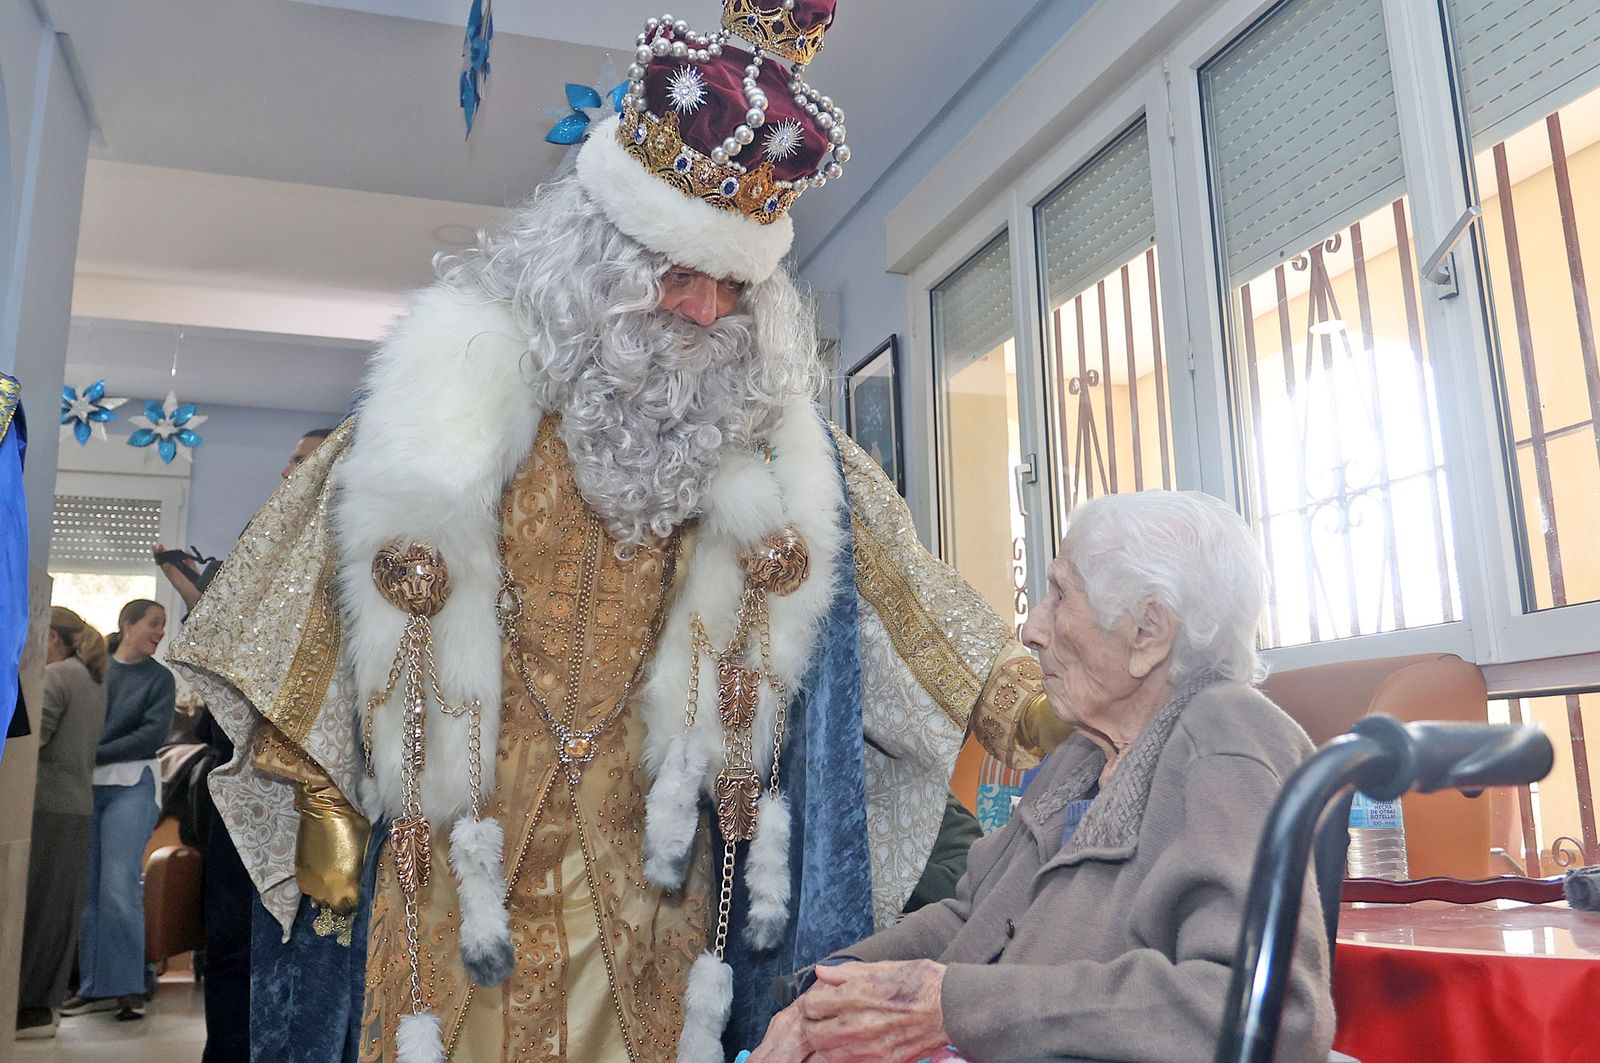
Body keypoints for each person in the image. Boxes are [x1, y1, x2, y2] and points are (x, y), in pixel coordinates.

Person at [169, 3, 1065, 1061]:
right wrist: (312, 785)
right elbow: (313, 585)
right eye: (677, 274)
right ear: (598, 261)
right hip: (464, 854)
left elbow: (906, 594)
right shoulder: (446, 398)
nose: (699, 313)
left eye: (731, 289)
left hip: (652, 873)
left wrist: (1032, 700)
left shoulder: (776, 440)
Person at [751, 491, 1337, 1063]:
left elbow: (1264, 1014)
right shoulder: (1086, 752)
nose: (1032, 630)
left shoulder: (1227, 736)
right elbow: (969, 916)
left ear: (1147, 634)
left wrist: (953, 1005)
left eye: (1059, 595)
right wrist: (828, 995)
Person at [62, 599, 176, 1022]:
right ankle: (95, 987)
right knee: (90, 890)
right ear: (126, 625)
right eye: (153, 623)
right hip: (87, 786)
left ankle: (129, 985)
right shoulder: (96, 672)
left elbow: (151, 737)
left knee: (117, 885)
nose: (160, 632)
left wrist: (91, 752)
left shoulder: (160, 680)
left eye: (163, 625)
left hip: (132, 787)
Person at [15, 608, 110, 1039]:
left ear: (51, 637)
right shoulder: (90, 678)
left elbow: (36, 741)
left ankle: (27, 1009)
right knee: (57, 914)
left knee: (35, 911)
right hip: (76, 806)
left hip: (46, 807)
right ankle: (43, 1007)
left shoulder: (57, 677)